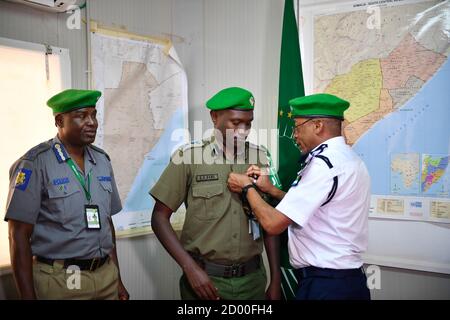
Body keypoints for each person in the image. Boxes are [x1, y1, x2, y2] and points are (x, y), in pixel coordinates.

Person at [227, 93, 371, 300]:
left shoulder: (323, 165)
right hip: (346, 279)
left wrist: (247, 187)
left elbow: (273, 224)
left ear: (318, 125)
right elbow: (319, 207)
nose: (294, 135)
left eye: (297, 127)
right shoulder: (349, 159)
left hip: (326, 284)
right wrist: (272, 190)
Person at [150, 87, 281, 300]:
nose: (243, 130)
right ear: (214, 117)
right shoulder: (188, 157)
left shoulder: (260, 157)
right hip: (206, 283)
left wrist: (276, 279)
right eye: (236, 123)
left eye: (248, 123)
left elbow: (271, 222)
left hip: (253, 281)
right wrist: (190, 268)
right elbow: (159, 217)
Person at [5, 89, 129, 300]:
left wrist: (117, 280)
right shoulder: (34, 164)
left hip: (105, 277)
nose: (92, 122)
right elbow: (18, 236)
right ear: (59, 121)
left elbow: (106, 224)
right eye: (81, 116)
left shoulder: (102, 161)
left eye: (94, 114)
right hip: (60, 282)